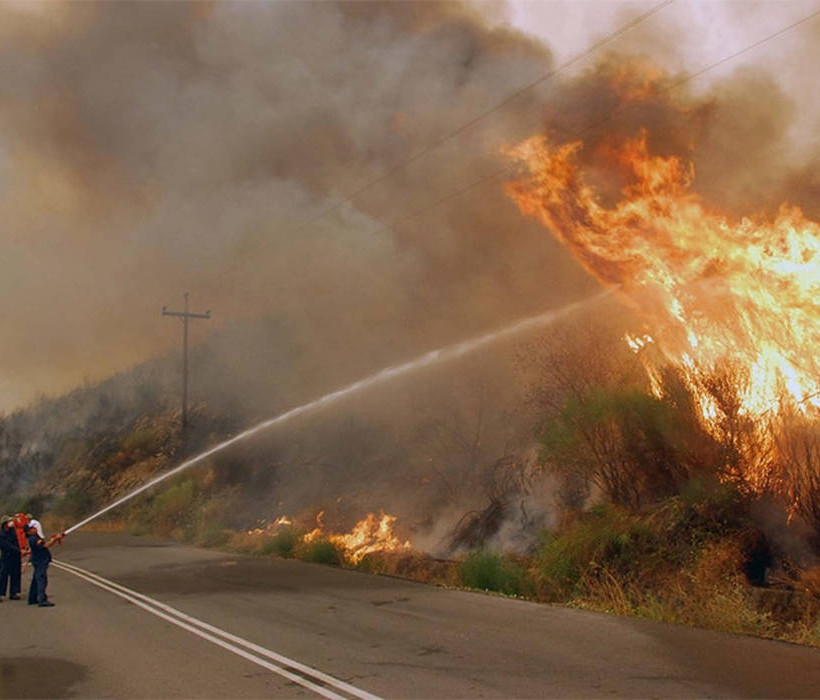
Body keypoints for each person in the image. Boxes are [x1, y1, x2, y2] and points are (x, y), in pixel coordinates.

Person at [26, 524, 55, 607]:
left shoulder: (35, 537)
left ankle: (32, 598)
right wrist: (54, 540)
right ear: (28, 531)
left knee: (36, 579)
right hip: (40, 561)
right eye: (32, 528)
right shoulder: (34, 539)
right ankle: (42, 599)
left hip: (39, 560)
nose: (34, 528)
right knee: (41, 580)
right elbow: (46, 545)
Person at [0, 515, 22, 601]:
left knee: (15, 574)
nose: (11, 523)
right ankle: (1, 593)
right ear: (5, 524)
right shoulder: (1, 534)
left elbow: (16, 542)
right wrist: (18, 551)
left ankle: (13, 593)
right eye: (9, 521)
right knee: (3, 575)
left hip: (15, 556)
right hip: (6, 556)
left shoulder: (13, 531)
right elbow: (7, 546)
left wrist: (21, 550)